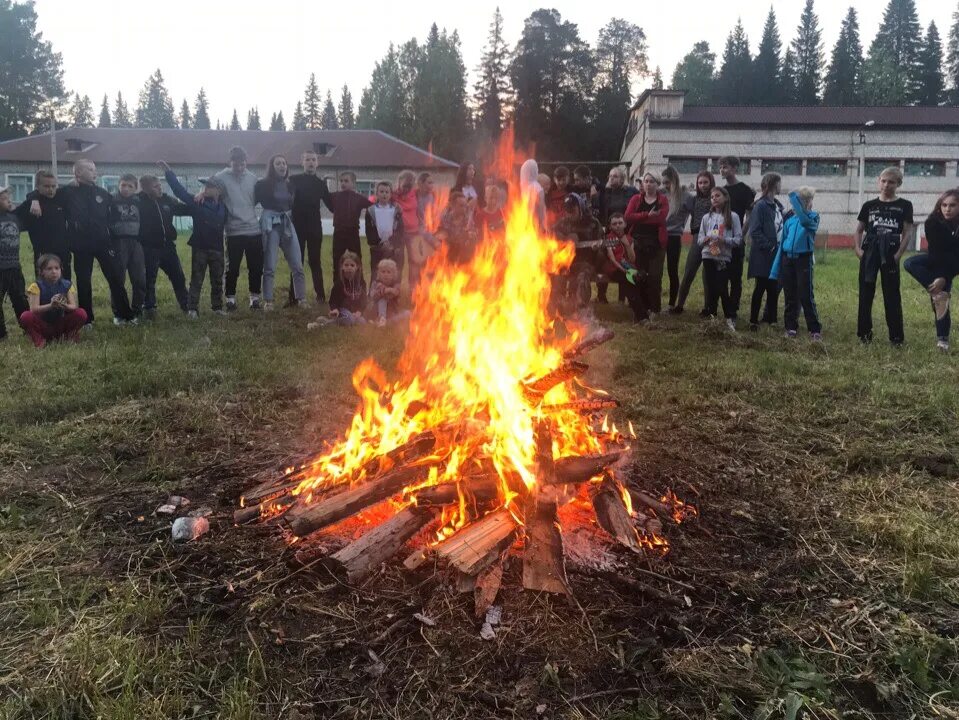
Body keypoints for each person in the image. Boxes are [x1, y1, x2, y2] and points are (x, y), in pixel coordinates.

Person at [59, 159, 135, 326]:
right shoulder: (67, 192)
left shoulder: (102, 193)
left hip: (103, 243)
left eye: (95, 169)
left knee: (115, 278)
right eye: (90, 169)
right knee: (84, 281)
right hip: (81, 245)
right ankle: (87, 320)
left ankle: (125, 316)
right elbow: (46, 196)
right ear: (78, 173)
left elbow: (122, 202)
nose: (95, 172)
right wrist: (34, 198)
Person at [855, 166, 913, 346]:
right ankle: (864, 335)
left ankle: (896, 338)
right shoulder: (869, 205)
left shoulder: (905, 205)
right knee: (866, 294)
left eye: (891, 182)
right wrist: (858, 250)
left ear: (898, 184)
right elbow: (858, 230)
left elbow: (907, 232)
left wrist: (897, 255)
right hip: (870, 252)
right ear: (878, 181)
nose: (887, 185)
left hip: (890, 253)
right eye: (884, 181)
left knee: (892, 296)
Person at [161, 163, 227, 318]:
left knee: (217, 279)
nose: (205, 188)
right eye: (205, 186)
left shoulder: (225, 207)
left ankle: (217, 307)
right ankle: (192, 308)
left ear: (219, 191)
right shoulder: (197, 203)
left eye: (210, 186)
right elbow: (180, 191)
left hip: (218, 248)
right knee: (197, 279)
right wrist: (169, 173)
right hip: (200, 247)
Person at [904, 189, 959, 351]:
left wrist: (944, 276)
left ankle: (943, 340)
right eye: (944, 205)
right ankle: (938, 293)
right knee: (910, 263)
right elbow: (937, 252)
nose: (947, 209)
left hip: (955, 262)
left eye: (952, 205)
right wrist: (940, 277)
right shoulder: (933, 222)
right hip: (937, 258)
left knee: (941, 290)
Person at [254, 154, 306, 311]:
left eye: (284, 163)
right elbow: (250, 201)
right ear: (272, 167)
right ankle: (268, 301)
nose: (282, 166)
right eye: (278, 163)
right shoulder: (262, 185)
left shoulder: (291, 185)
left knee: (297, 264)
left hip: (287, 224)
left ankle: (302, 299)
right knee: (269, 264)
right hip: (270, 224)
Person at [770, 188, 822, 340]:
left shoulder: (813, 217)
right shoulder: (790, 221)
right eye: (802, 201)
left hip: (803, 260)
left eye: (807, 200)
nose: (805, 203)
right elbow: (782, 246)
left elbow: (805, 222)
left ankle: (815, 329)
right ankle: (791, 327)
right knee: (790, 295)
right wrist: (775, 269)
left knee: (806, 295)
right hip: (788, 260)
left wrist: (795, 199)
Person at [215, 146, 262, 311]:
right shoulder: (221, 177)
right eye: (236, 165)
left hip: (253, 230)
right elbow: (209, 187)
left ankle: (254, 298)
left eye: (242, 165)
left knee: (255, 267)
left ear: (246, 163)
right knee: (232, 267)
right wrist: (201, 193)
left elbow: (255, 200)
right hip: (234, 231)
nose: (239, 168)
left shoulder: (253, 178)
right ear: (230, 163)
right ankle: (230, 299)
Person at [137, 174, 188, 319]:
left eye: (160, 185)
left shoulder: (167, 200)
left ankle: (186, 304)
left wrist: (198, 200)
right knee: (149, 279)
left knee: (178, 276)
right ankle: (149, 308)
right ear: (145, 188)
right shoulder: (138, 201)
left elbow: (185, 209)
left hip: (168, 247)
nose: (160, 188)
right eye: (156, 186)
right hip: (148, 248)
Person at [289, 149, 333, 304]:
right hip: (297, 226)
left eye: (314, 160)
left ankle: (320, 296)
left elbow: (332, 205)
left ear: (317, 163)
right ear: (302, 162)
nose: (311, 163)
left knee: (315, 261)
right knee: (297, 261)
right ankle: (293, 297)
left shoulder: (321, 184)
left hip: (315, 227)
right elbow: (285, 199)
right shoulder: (293, 180)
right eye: (308, 160)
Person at [697, 186, 743, 331]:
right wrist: (707, 239)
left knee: (722, 287)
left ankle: (729, 318)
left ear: (726, 198)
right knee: (710, 288)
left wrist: (723, 240)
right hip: (708, 255)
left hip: (723, 257)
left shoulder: (733, 217)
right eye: (712, 197)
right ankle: (712, 318)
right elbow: (699, 239)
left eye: (717, 196)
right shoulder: (706, 217)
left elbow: (738, 240)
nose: (714, 199)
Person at [671, 171, 716, 315]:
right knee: (689, 271)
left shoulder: (716, 198)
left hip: (713, 239)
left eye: (705, 182)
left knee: (709, 274)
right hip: (697, 237)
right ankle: (679, 305)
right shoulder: (694, 199)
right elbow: (681, 201)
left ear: (711, 183)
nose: (703, 185)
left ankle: (708, 308)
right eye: (700, 183)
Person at [625, 173, 670, 314]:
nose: (649, 184)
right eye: (646, 181)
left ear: (657, 184)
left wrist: (639, 218)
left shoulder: (662, 200)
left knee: (655, 277)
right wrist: (647, 215)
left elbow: (661, 219)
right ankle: (640, 307)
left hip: (657, 242)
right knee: (639, 274)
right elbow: (627, 217)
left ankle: (655, 308)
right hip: (637, 242)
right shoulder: (636, 199)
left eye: (652, 181)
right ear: (643, 183)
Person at [19, 253, 87, 347]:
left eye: (57, 268)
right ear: (41, 271)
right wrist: (51, 305)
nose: (54, 271)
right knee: (25, 316)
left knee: (81, 313)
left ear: (61, 270)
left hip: (60, 323)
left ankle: (69, 335)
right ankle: (39, 339)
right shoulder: (36, 286)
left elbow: (73, 306)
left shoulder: (67, 285)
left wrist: (64, 305)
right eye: (49, 269)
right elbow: (34, 309)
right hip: (43, 325)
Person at [552, 193, 603, 314]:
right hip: (567, 262)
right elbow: (550, 235)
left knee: (582, 276)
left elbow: (600, 244)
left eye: (572, 209)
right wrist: (563, 243)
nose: (569, 213)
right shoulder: (563, 223)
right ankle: (558, 307)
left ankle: (581, 310)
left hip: (586, 262)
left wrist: (596, 248)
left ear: (580, 207)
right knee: (555, 273)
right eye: (567, 210)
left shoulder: (593, 224)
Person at [15, 171, 71, 279]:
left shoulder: (61, 198)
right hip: (42, 252)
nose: (50, 189)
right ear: (37, 187)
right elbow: (12, 215)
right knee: (43, 285)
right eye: (46, 186)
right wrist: (34, 199)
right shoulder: (30, 204)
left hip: (63, 252)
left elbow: (73, 185)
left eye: (53, 186)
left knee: (65, 284)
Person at [718, 156, 754, 323]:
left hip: (737, 241)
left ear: (734, 169)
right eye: (720, 167)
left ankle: (733, 309)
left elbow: (749, 215)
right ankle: (724, 308)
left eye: (725, 167)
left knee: (735, 277)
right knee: (721, 273)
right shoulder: (721, 192)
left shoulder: (745, 190)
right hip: (721, 240)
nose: (722, 170)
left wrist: (740, 235)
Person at [747, 173, 784, 330]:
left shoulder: (777, 205)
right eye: (780, 183)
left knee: (773, 288)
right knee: (760, 287)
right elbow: (755, 231)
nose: (781, 186)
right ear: (774, 184)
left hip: (775, 254)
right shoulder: (760, 206)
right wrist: (770, 246)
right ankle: (753, 321)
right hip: (763, 255)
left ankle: (772, 320)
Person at [596, 166, 638, 304]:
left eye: (615, 176)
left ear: (622, 178)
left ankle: (622, 298)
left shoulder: (630, 192)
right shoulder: (606, 192)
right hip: (609, 232)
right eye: (610, 176)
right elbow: (602, 211)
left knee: (625, 260)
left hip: (625, 232)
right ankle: (602, 294)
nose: (611, 178)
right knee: (606, 260)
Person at [603, 212, 649, 323]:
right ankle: (642, 317)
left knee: (642, 279)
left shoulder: (629, 239)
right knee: (629, 280)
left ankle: (644, 311)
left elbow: (632, 259)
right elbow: (612, 259)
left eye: (620, 223)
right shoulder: (609, 239)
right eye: (614, 224)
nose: (617, 226)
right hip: (615, 269)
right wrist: (625, 271)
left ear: (625, 224)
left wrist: (627, 244)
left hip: (629, 268)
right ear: (610, 226)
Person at [661, 166, 694, 309]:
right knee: (657, 270)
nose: (665, 186)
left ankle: (671, 303)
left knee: (672, 270)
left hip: (674, 236)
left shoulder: (686, 196)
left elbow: (695, 214)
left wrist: (694, 229)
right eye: (663, 183)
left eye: (667, 182)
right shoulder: (661, 194)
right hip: (659, 235)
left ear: (675, 181)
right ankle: (654, 300)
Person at [327, 171, 372, 271]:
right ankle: (338, 284)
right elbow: (324, 196)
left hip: (353, 232)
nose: (343, 183)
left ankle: (359, 283)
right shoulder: (334, 196)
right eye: (341, 181)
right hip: (339, 231)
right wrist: (324, 181)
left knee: (356, 258)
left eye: (346, 181)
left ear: (353, 183)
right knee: (337, 258)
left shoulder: (359, 198)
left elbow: (373, 206)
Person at [0, 185, 28, 341]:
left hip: (14, 267)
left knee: (20, 299)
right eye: (4, 198)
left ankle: (28, 328)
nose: (8, 201)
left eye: (8, 197)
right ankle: (1, 334)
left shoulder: (14, 217)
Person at [365, 180, 405, 275]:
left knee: (392, 274)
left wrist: (392, 243)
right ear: (377, 194)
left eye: (387, 192)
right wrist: (379, 243)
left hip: (392, 248)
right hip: (377, 248)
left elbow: (400, 229)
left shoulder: (396, 210)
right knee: (377, 273)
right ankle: (375, 289)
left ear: (391, 194)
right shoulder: (371, 211)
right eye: (381, 192)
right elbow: (369, 230)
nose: (384, 194)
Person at [322, 251, 368, 326]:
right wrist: (335, 309)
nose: (349, 267)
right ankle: (324, 324)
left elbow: (364, 300)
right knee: (349, 320)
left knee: (362, 322)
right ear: (342, 267)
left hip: (355, 311)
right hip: (342, 309)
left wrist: (360, 311)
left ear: (357, 267)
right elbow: (333, 300)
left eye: (352, 265)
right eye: (346, 265)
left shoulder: (361, 283)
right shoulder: (339, 283)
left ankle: (329, 320)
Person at [392, 169, 419, 279]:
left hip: (413, 232)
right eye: (405, 186)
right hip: (399, 233)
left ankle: (413, 286)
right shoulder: (393, 195)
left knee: (413, 260)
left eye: (409, 186)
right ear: (399, 182)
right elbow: (376, 199)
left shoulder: (414, 194)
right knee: (399, 260)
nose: (407, 189)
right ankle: (397, 284)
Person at [438, 191, 478, 264]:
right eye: (461, 206)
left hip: (464, 254)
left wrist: (471, 236)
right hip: (448, 253)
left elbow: (473, 236)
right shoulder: (445, 218)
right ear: (452, 205)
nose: (464, 208)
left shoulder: (468, 220)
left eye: (465, 206)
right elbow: (440, 235)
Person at [368, 258, 409, 326]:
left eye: (388, 272)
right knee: (383, 299)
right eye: (383, 272)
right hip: (377, 312)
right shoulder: (375, 284)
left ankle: (386, 323)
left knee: (408, 313)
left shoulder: (396, 285)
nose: (385, 274)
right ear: (378, 273)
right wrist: (385, 291)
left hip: (392, 313)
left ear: (393, 274)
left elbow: (396, 293)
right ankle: (381, 319)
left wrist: (390, 290)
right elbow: (373, 296)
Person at [520, 159, 547, 231]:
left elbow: (540, 207)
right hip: (531, 221)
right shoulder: (536, 188)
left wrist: (541, 222)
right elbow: (541, 207)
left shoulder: (532, 188)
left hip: (532, 221)